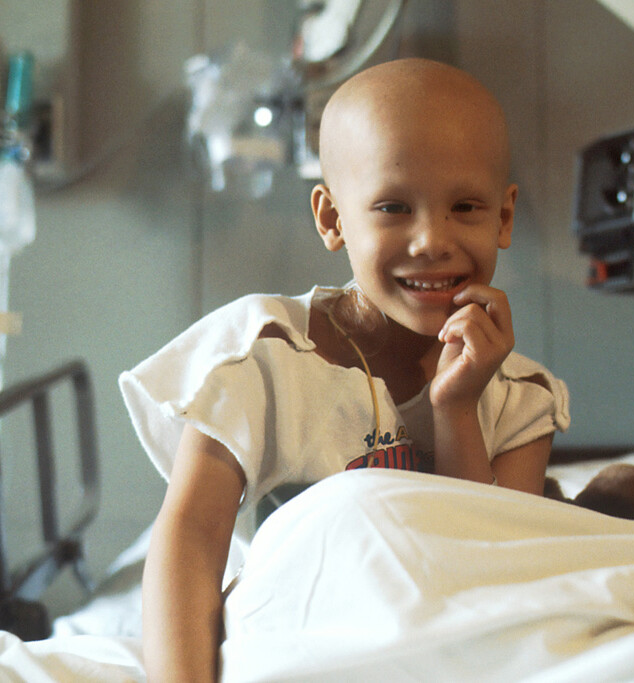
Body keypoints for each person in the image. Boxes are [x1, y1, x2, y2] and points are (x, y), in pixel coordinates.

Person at [119, 58, 570, 682]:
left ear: (505, 217)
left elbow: (489, 576)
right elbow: (191, 542)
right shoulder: (260, 357)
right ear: (332, 218)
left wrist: (455, 409)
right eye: (392, 207)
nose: (431, 240)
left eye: (465, 206)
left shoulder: (520, 401)